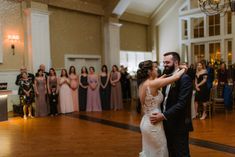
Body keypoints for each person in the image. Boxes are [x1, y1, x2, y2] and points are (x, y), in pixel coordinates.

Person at [137, 59, 186, 157]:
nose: (157, 69)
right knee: (159, 151)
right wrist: (183, 69)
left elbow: (159, 80)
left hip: (146, 121)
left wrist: (165, 75)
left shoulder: (143, 84)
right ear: (149, 71)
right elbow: (176, 77)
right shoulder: (152, 84)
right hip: (154, 123)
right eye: (155, 67)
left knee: (150, 151)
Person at [149, 52, 193, 157]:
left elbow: (182, 104)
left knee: (181, 153)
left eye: (167, 62)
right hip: (166, 123)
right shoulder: (166, 77)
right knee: (170, 152)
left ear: (176, 62)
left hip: (179, 123)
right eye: (164, 62)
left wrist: (163, 115)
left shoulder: (184, 79)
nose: (164, 65)